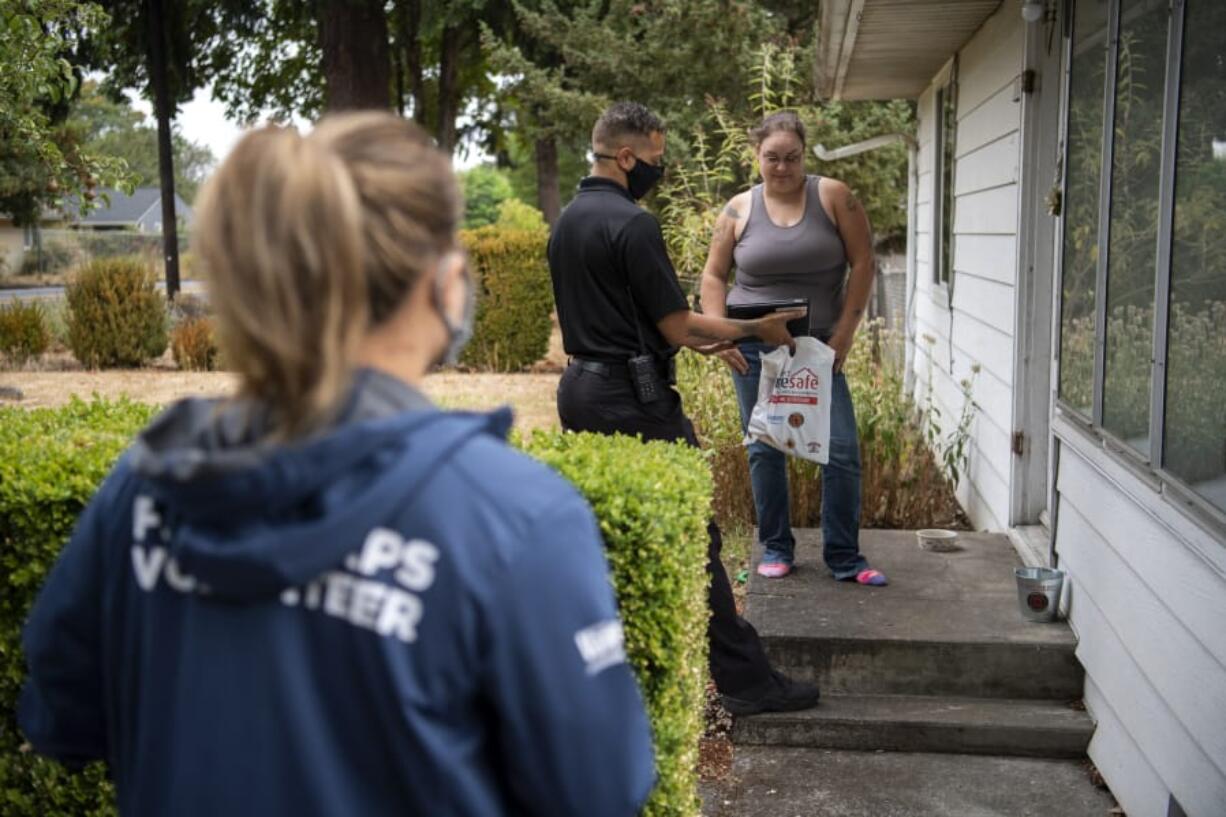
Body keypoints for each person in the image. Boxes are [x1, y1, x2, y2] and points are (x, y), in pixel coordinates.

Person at [18, 112, 656, 817]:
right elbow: (597, 785)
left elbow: (62, 718)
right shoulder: (515, 518)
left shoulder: (149, 486)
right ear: (442, 283)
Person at [549, 100, 821, 716]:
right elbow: (675, 323)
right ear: (626, 156)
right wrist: (758, 328)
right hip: (633, 400)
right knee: (694, 535)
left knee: (616, 535)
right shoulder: (633, 224)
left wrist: (707, 340)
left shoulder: (568, 221)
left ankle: (619, 674)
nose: (658, 169)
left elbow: (629, 321)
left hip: (580, 390)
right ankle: (746, 681)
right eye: (655, 159)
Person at [700, 110, 888, 586]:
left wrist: (845, 333)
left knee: (841, 449)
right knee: (765, 448)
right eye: (771, 158)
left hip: (817, 347)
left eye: (792, 157)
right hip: (753, 350)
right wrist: (719, 333)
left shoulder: (834, 197)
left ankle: (845, 557)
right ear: (756, 156)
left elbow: (864, 262)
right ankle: (777, 548)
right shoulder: (738, 209)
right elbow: (713, 276)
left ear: (804, 154)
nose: (782, 167)